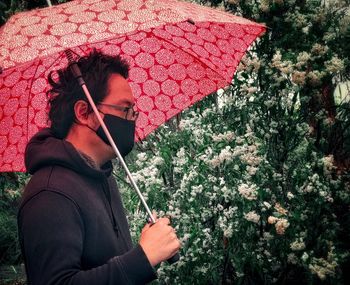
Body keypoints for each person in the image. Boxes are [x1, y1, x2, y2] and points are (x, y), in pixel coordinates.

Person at [17, 50, 181, 285]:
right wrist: (141, 259)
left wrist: (147, 249)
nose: (132, 119)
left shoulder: (103, 177)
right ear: (84, 113)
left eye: (133, 111)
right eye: (125, 109)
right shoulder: (50, 193)